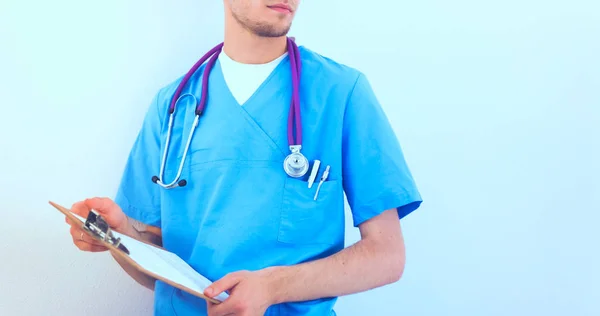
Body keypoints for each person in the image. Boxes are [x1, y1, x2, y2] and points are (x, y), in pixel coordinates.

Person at [65, 1, 423, 315]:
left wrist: (273, 286)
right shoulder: (173, 106)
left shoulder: (341, 93)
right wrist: (119, 236)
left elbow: (386, 256)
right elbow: (157, 268)